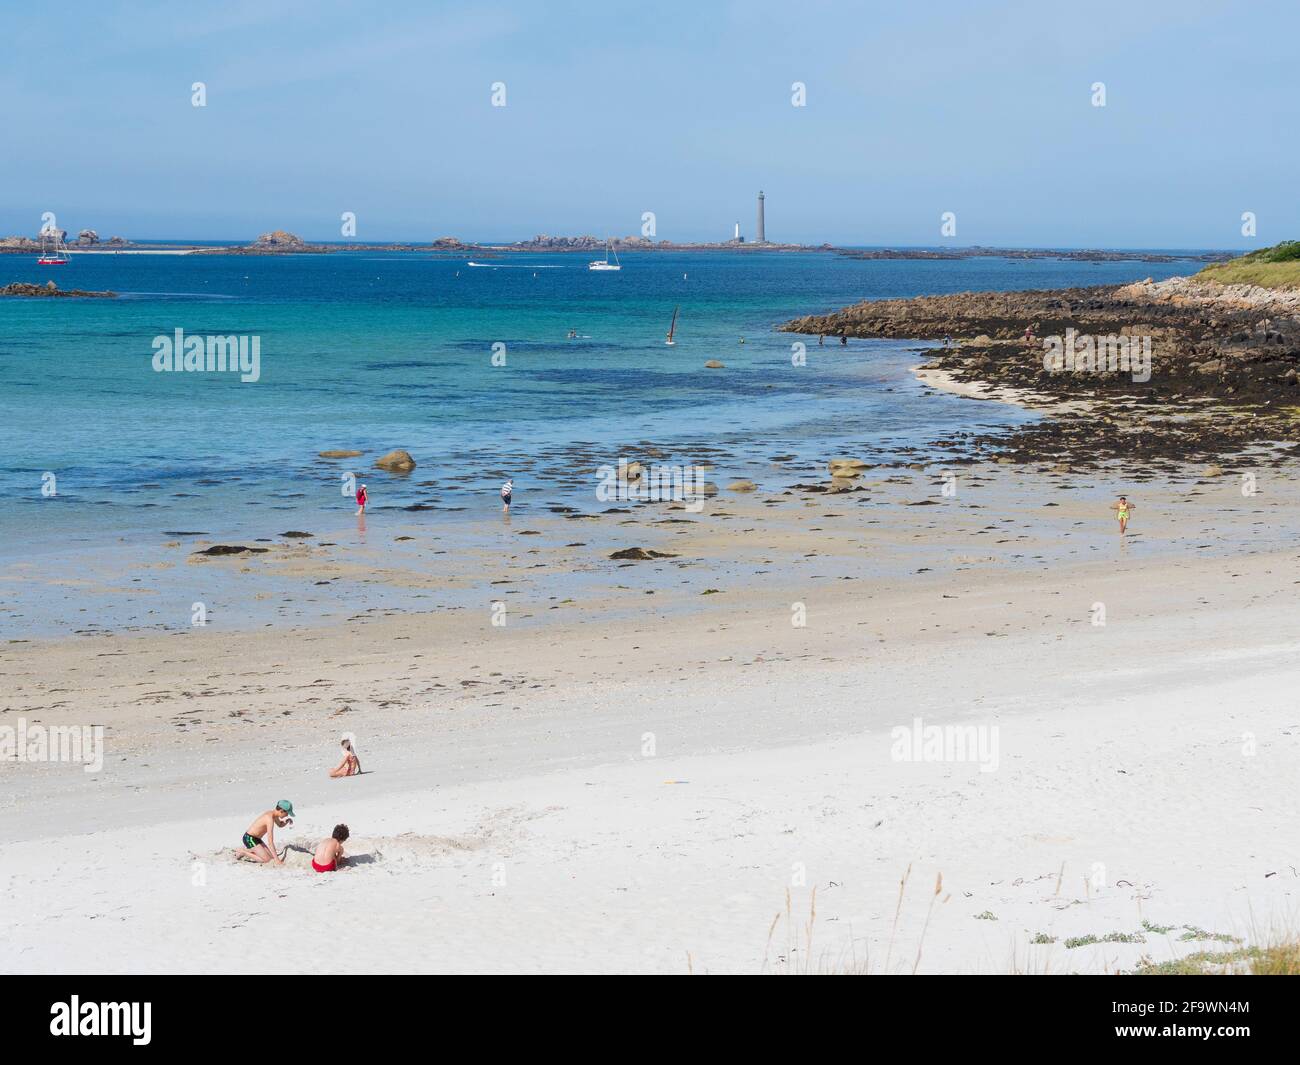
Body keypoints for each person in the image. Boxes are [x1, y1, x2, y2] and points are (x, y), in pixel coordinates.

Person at [237, 800, 295, 865]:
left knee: (271, 858)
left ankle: (252, 850)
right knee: (267, 861)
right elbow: (270, 842)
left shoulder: (274, 815)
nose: (287, 815)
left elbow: (280, 825)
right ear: (281, 811)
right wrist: (277, 860)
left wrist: (287, 821)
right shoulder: (269, 819)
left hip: (257, 839)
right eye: (287, 813)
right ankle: (243, 852)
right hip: (249, 838)